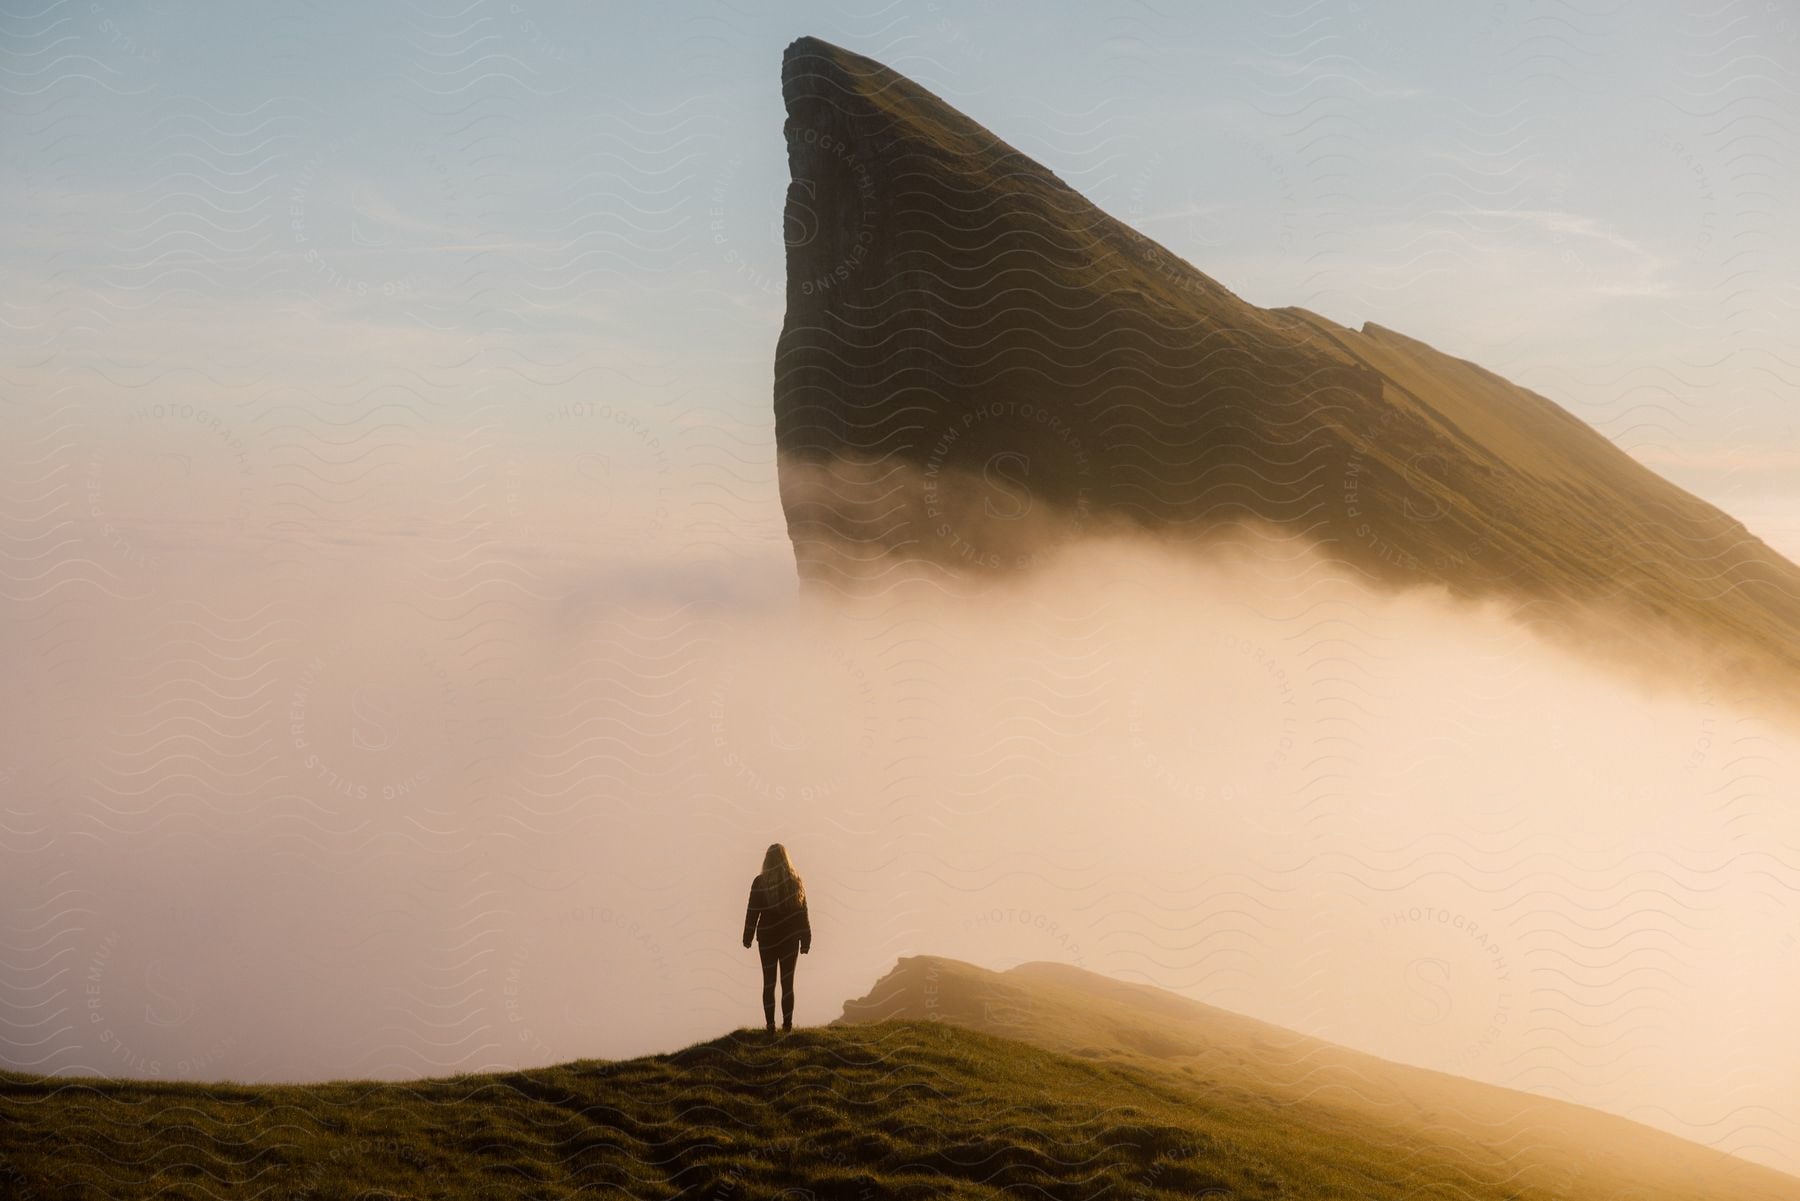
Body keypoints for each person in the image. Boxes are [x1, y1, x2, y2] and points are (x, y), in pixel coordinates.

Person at [742, 843, 811, 1034]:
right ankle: (787, 1026)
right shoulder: (795, 881)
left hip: (767, 939)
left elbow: (752, 912)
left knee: (769, 982)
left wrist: (747, 936)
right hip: (790, 939)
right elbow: (802, 913)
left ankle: (770, 1026)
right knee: (787, 984)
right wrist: (806, 939)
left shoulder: (760, 882)